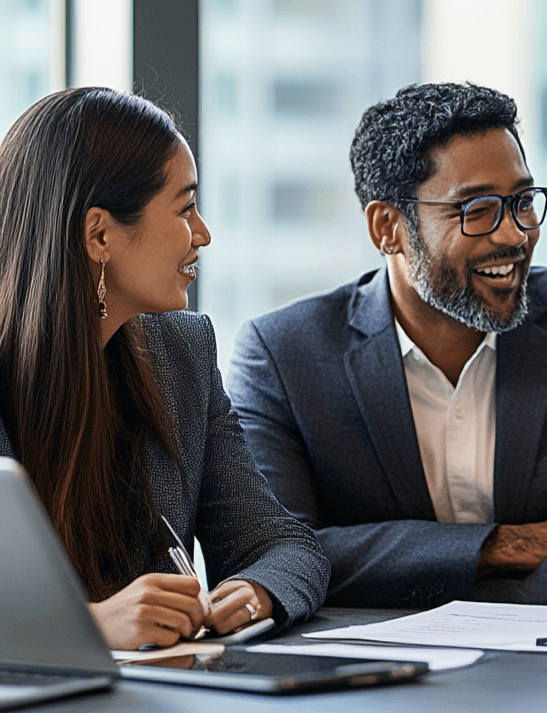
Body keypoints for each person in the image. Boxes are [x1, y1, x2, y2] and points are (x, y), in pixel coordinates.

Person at [227, 82, 547, 608]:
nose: (516, 234)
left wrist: (480, 615)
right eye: (477, 210)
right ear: (388, 228)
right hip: (363, 675)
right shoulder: (282, 356)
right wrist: (506, 545)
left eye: (522, 201)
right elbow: (272, 558)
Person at [0, 87, 329, 650]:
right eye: (184, 208)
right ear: (99, 234)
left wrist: (253, 592)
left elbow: (281, 543)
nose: (202, 234)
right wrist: (91, 626)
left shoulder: (183, 352)